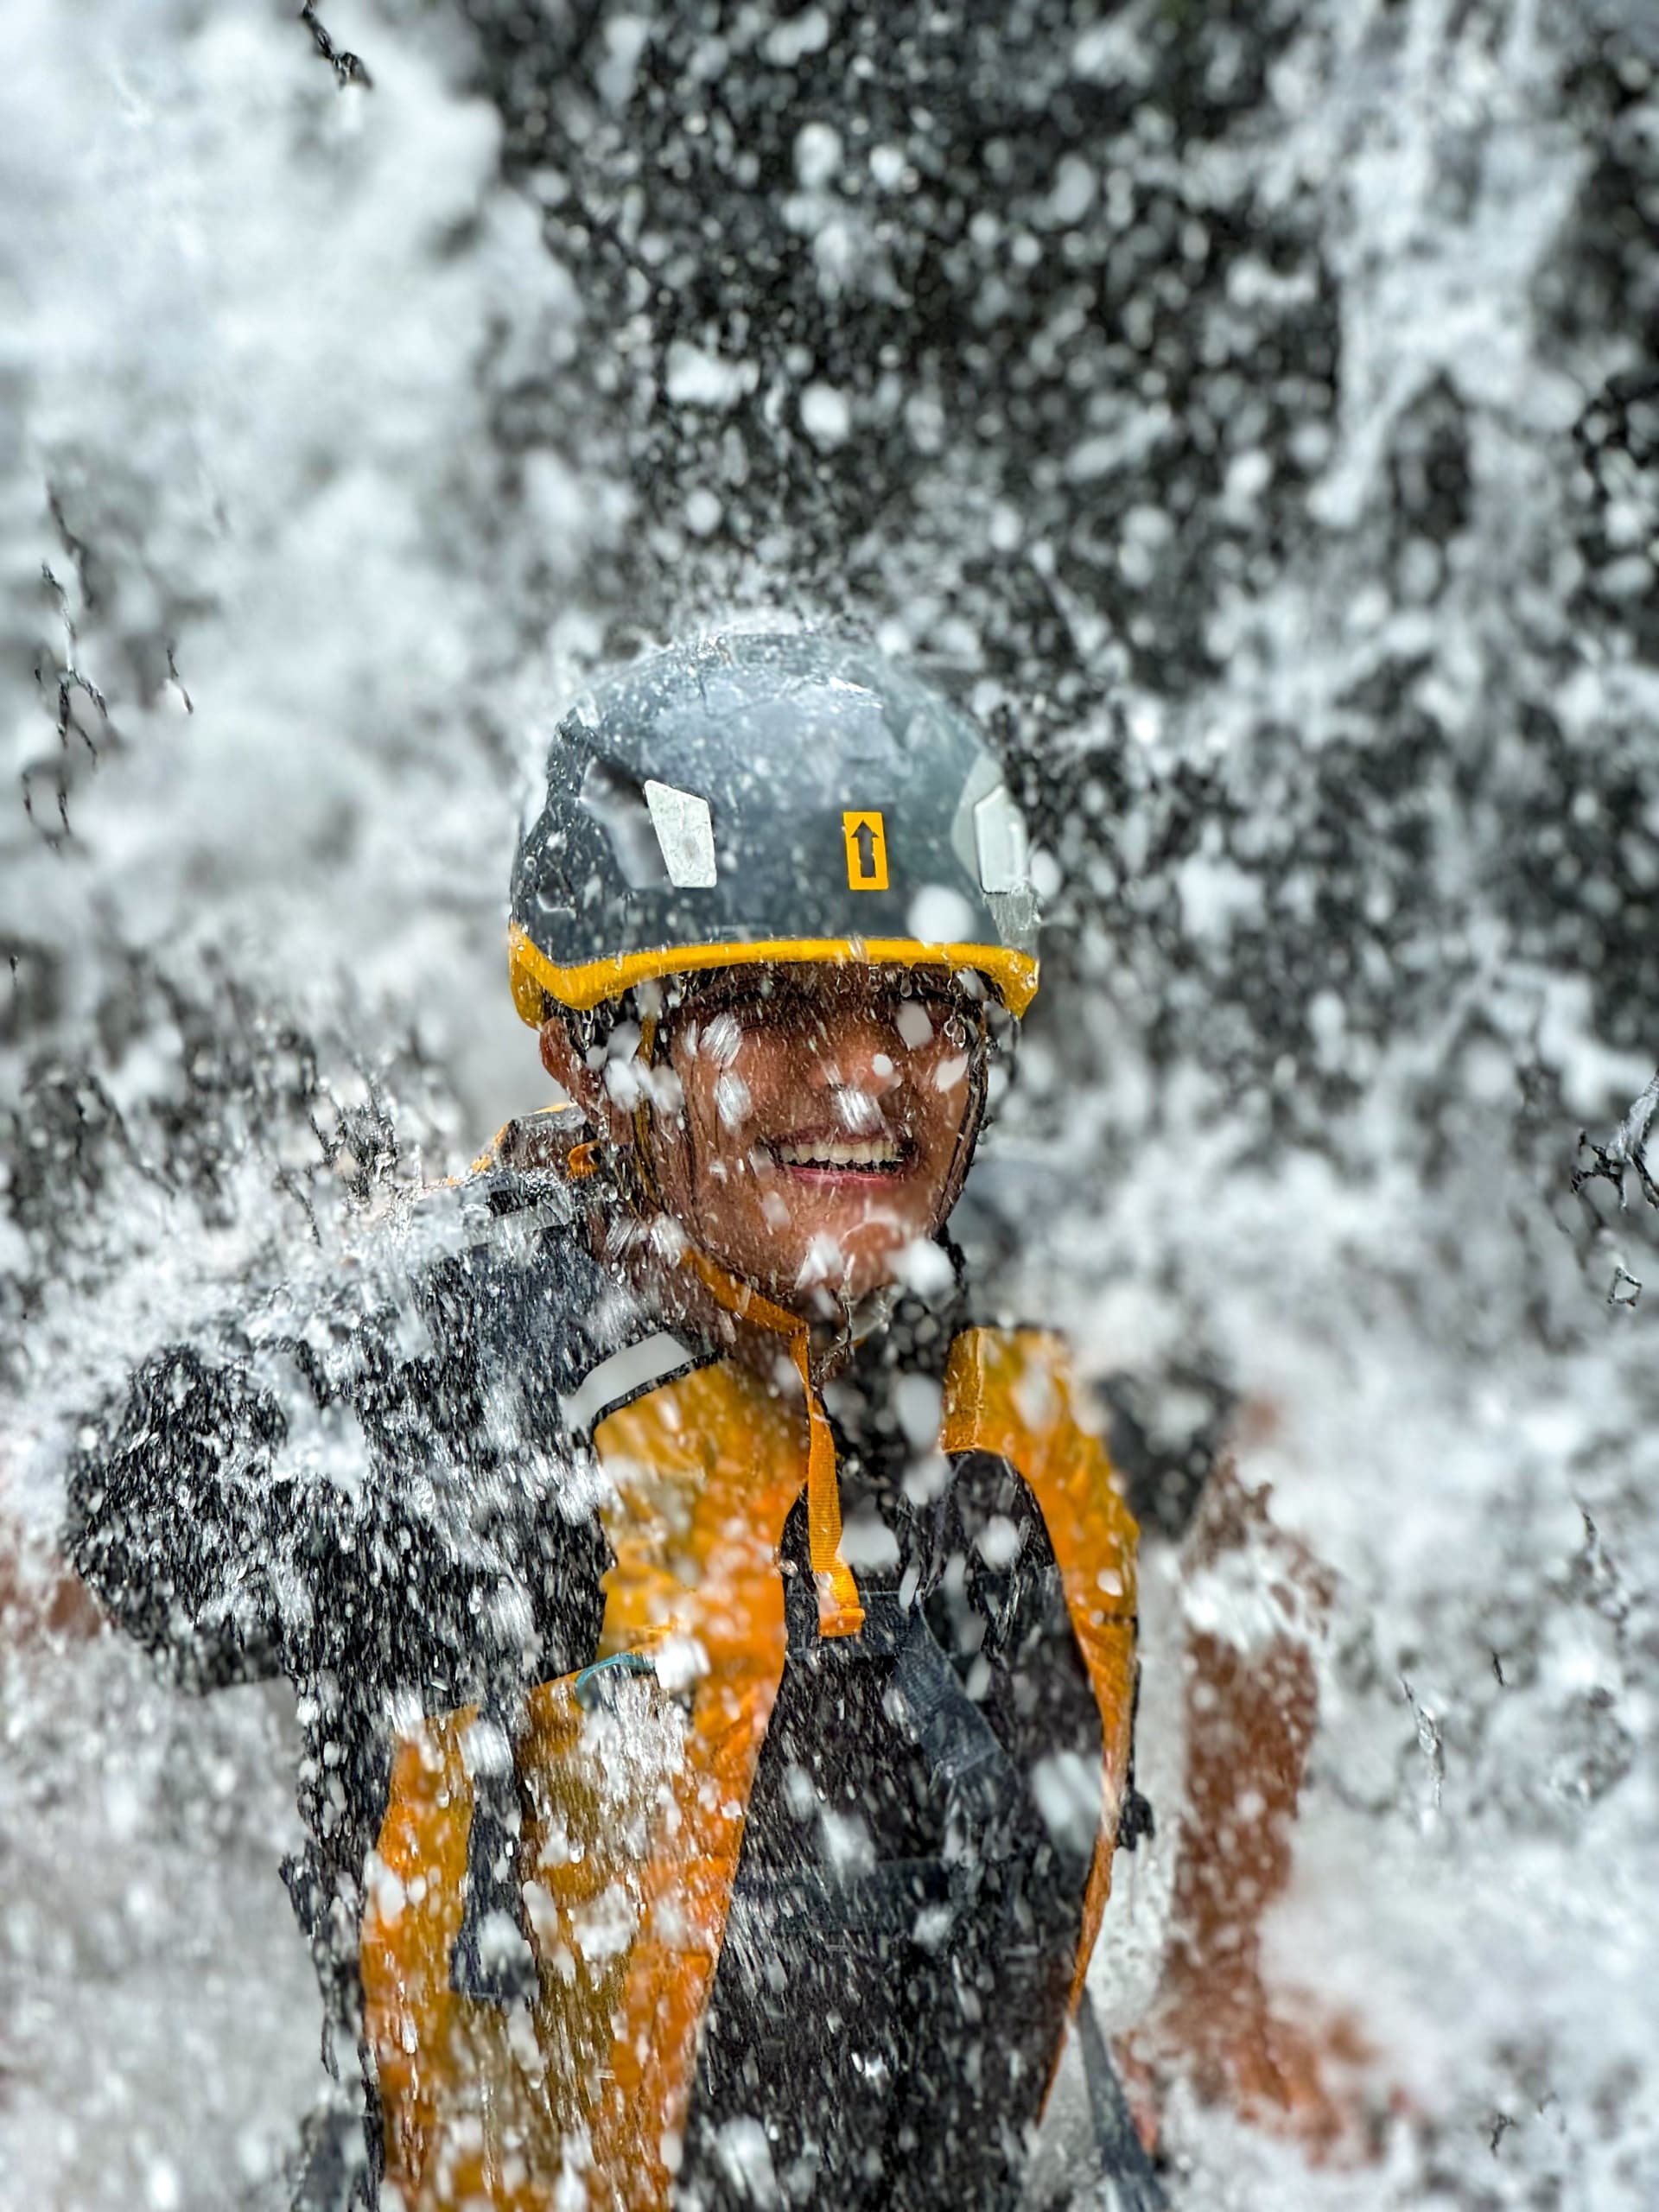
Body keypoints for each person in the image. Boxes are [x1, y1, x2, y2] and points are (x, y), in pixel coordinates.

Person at [66, 632, 1163, 2211]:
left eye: (921, 1008)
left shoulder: (1066, 1318)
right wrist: (426, 1555)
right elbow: (129, 1503)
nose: (863, 1080)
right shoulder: (454, 1355)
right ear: (590, 1052)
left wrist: (1239, 1979)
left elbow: (1299, 1487)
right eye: (774, 1009)